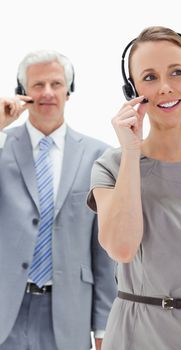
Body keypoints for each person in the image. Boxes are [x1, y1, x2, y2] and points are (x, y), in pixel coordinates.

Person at [87, 25, 181, 349]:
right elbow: (121, 248)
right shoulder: (111, 165)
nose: (165, 87)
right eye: (150, 77)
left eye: (177, 72)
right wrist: (130, 151)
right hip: (134, 333)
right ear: (132, 90)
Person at [0, 50, 117, 350]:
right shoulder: (2, 147)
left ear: (69, 91)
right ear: (22, 93)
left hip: (68, 315)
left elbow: (104, 252)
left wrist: (104, 325)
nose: (48, 93)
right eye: (38, 85)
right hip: (5, 309)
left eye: (56, 84)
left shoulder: (97, 155)